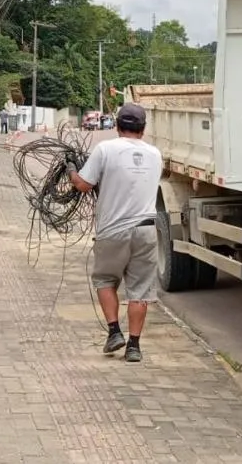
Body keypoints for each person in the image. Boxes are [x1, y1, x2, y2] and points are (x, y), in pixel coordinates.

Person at [67, 103, 162, 362]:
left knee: (105, 280)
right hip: (146, 231)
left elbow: (84, 185)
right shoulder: (155, 154)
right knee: (140, 291)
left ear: (118, 126)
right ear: (143, 130)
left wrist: (71, 170)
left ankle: (114, 332)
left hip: (113, 231)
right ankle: (134, 346)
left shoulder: (105, 149)